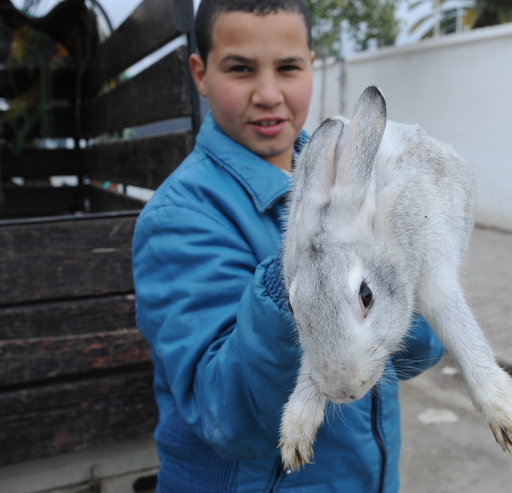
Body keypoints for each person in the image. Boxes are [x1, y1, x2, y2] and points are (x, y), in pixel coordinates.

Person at [131, 0, 444, 491]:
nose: (269, 94)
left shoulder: (351, 184)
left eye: (288, 68)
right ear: (200, 73)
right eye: (240, 69)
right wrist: (300, 267)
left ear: (311, 67)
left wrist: (404, 249)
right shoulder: (180, 219)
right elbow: (226, 419)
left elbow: (418, 352)